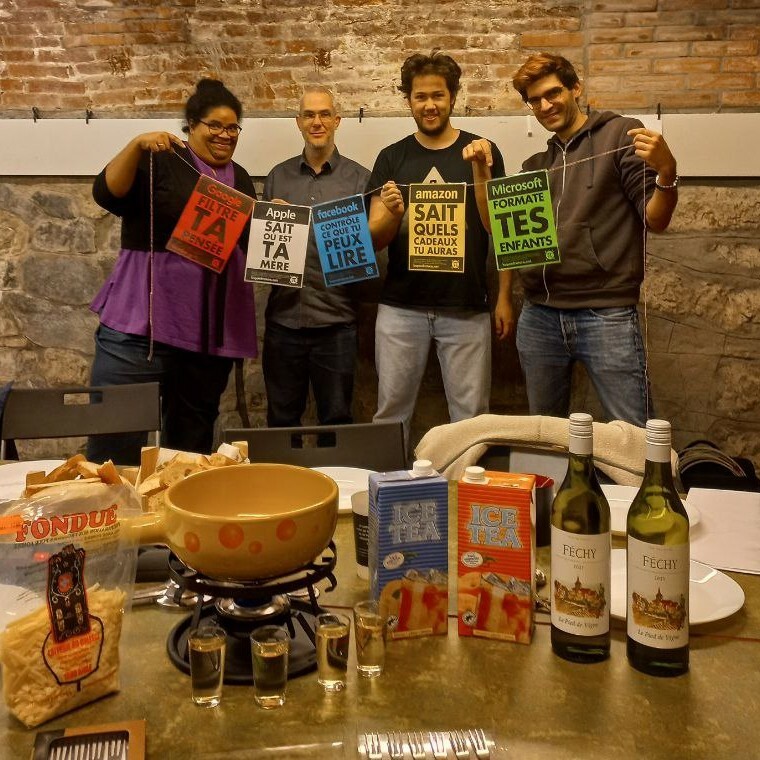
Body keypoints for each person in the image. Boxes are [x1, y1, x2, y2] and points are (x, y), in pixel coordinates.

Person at [471, 52, 679, 427]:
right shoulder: (535, 166)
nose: (545, 105)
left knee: (633, 432)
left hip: (606, 314)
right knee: (544, 433)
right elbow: (497, 231)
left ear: (575, 88)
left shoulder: (620, 134)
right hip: (540, 315)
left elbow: (656, 219)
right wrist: (480, 173)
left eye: (553, 93)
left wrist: (667, 171)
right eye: (535, 100)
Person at [87, 79, 258, 464]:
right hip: (140, 331)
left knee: (188, 454)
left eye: (233, 127)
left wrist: (272, 216)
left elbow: (248, 246)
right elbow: (106, 193)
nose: (225, 134)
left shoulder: (242, 178)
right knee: (114, 445)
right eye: (214, 125)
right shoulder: (159, 158)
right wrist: (135, 145)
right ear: (191, 125)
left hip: (204, 341)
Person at [368, 51, 510, 448]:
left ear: (453, 97)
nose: (429, 105)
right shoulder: (391, 157)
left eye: (438, 95)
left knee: (472, 418)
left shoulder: (483, 150)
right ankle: (387, 486)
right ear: (408, 100)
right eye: (420, 96)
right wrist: (393, 214)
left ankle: (468, 487)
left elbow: (499, 229)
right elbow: (373, 239)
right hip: (400, 308)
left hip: (466, 307)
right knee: (390, 414)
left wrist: (504, 296)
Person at [262, 85, 370, 429]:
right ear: (298, 122)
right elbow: (263, 252)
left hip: (336, 324)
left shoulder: (361, 179)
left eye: (324, 114)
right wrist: (267, 220)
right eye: (309, 115)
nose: (317, 122)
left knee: (336, 422)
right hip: (283, 322)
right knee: (281, 422)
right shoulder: (277, 177)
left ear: (337, 120)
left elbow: (369, 250)